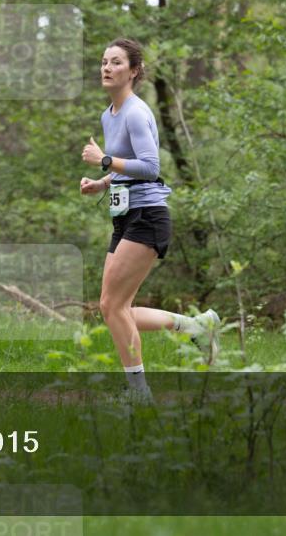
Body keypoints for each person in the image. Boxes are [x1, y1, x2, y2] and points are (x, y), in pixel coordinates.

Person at [79, 38, 220, 401]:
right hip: (125, 216)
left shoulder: (137, 113)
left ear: (134, 71)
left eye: (116, 62)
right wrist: (102, 183)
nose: (106, 68)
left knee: (111, 306)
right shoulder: (108, 115)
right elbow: (128, 166)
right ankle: (196, 326)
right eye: (103, 61)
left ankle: (139, 393)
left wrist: (105, 161)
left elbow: (151, 167)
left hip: (148, 216)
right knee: (116, 308)